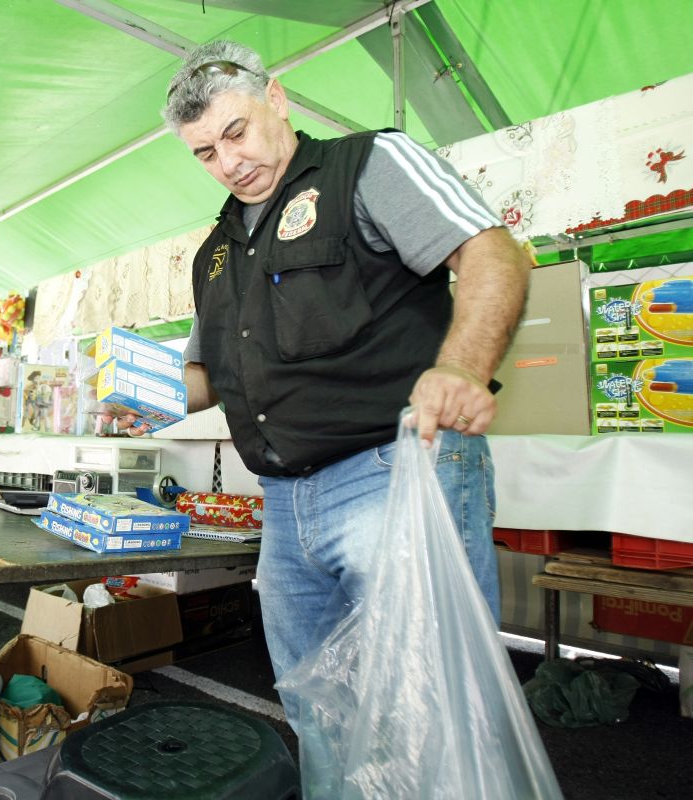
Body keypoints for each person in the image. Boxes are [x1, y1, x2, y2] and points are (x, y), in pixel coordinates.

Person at [160, 41, 532, 742]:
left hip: (392, 476)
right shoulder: (214, 252)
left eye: (235, 132)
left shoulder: (367, 165)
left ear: (277, 99)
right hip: (281, 508)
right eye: (205, 152)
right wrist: (130, 394)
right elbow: (202, 377)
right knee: (322, 713)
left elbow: (489, 250)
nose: (229, 162)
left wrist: (460, 367)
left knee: (435, 712)